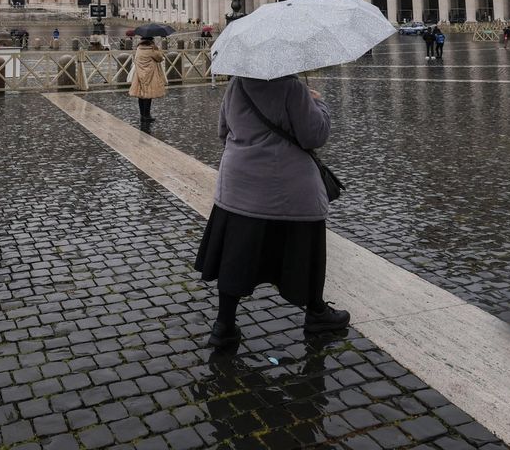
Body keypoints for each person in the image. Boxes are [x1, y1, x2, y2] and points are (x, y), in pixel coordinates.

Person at [195, 73, 348, 349]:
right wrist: (318, 103)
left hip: (239, 187)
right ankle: (316, 311)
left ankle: (223, 325)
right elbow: (314, 136)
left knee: (235, 256)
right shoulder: (292, 87)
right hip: (289, 188)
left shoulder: (237, 84)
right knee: (305, 248)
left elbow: (223, 131)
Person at [128, 37, 167, 125]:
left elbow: (136, 59)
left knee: (140, 96)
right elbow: (160, 58)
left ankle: (142, 115)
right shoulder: (152, 50)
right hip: (150, 74)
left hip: (139, 74)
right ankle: (147, 115)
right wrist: (157, 49)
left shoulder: (139, 48)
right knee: (148, 95)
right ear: (151, 40)